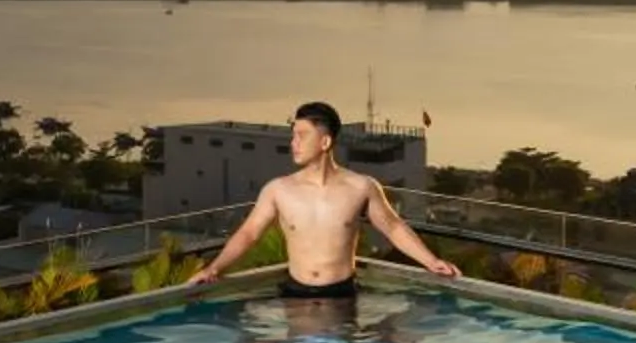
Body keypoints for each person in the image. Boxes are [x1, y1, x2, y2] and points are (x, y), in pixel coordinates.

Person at [188, 100, 461, 299]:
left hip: (342, 294)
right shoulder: (279, 190)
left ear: (325, 142)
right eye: (292, 135)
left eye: (302, 136)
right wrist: (214, 269)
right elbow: (248, 233)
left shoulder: (361, 186)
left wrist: (430, 261)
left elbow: (393, 227)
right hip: (296, 293)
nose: (293, 143)